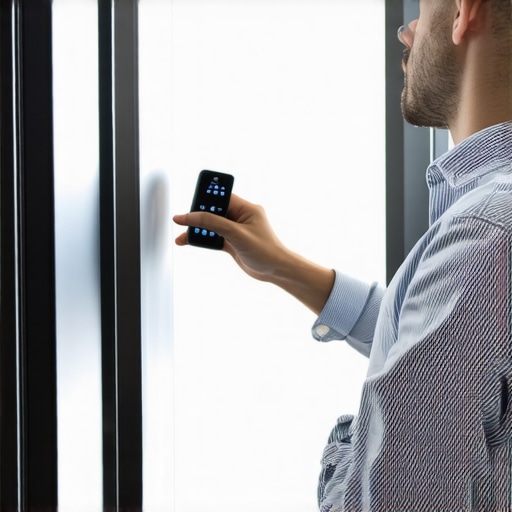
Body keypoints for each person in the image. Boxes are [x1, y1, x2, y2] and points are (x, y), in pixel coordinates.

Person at [174, 0, 512, 509]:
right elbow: (461, 343)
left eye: (422, 7)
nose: (408, 32)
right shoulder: (488, 236)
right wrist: (286, 268)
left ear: (465, 12)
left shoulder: (483, 235)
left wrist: (349, 449)